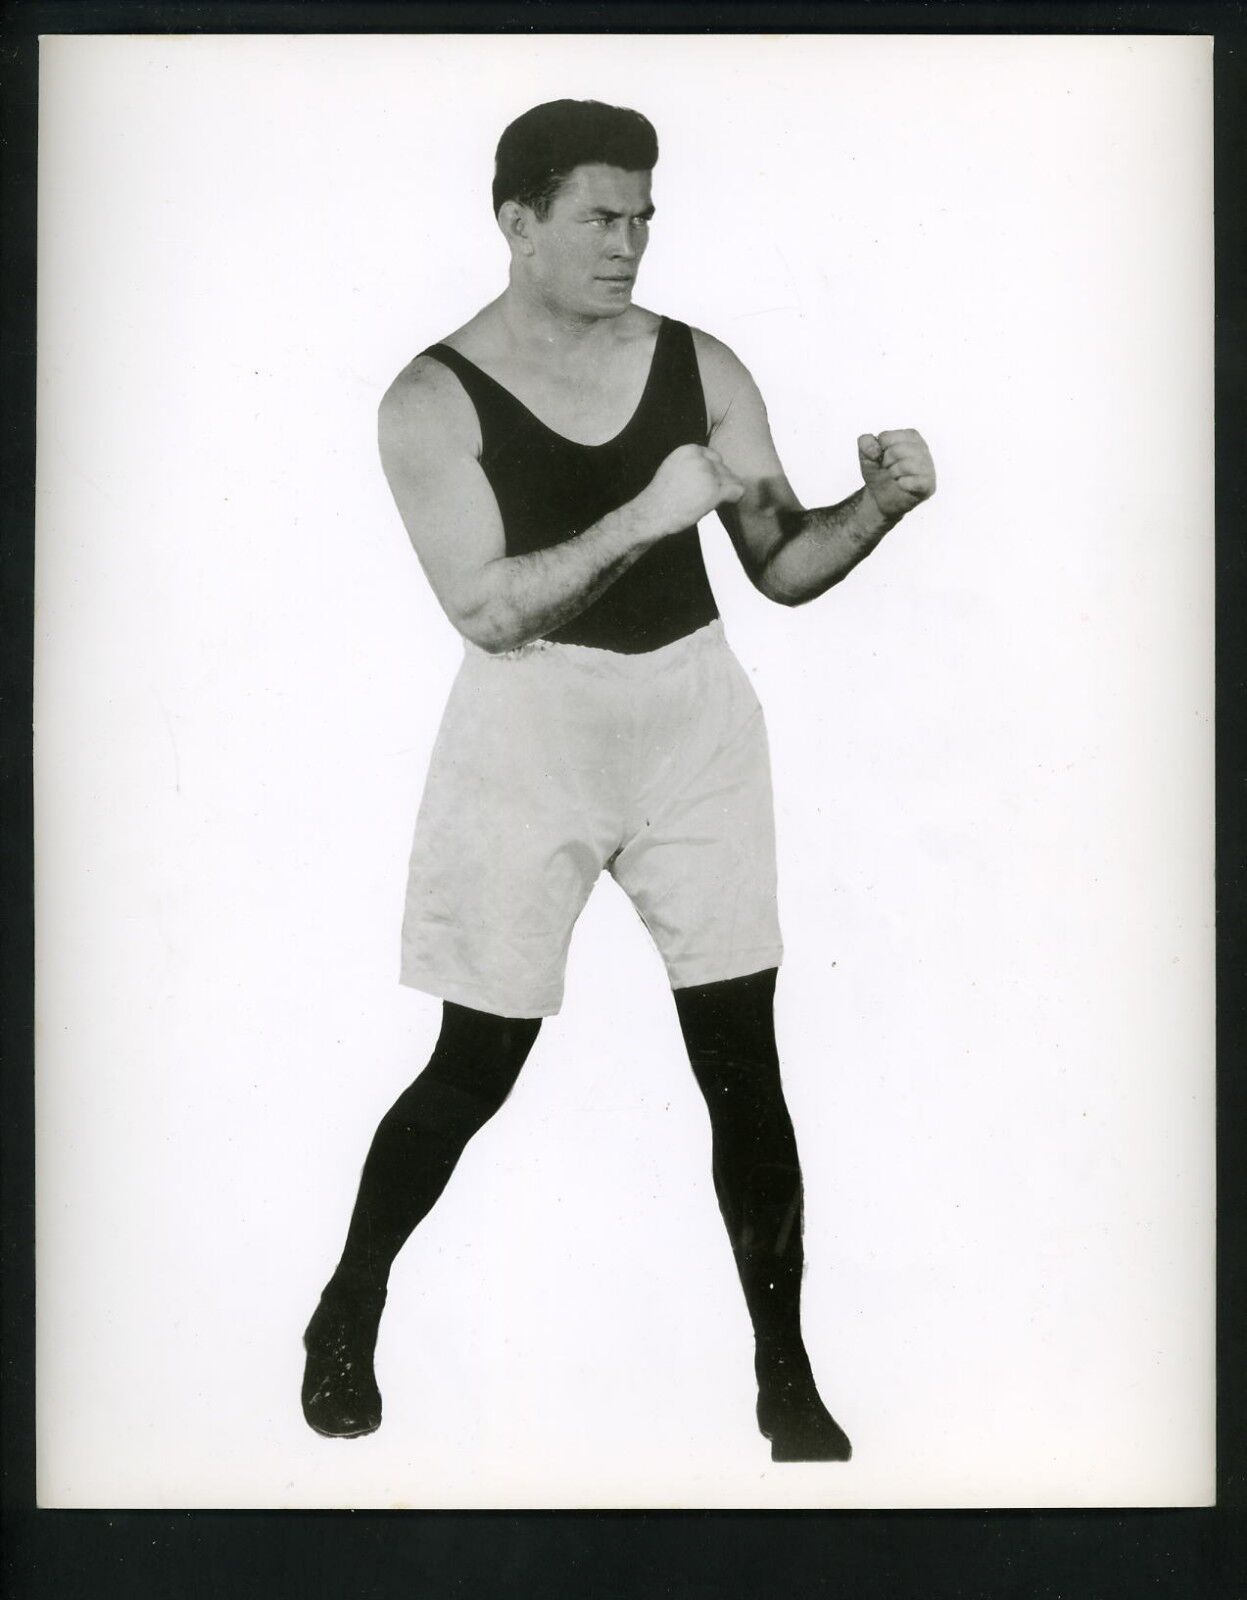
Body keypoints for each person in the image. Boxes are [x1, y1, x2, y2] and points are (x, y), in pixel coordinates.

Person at [302, 99, 936, 1462]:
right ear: (518, 221)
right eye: (600, 216)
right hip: (531, 728)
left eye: (645, 216)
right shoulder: (429, 397)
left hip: (693, 713)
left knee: (741, 1062)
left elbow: (781, 566)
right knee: (478, 1061)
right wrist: (647, 513)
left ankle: (786, 1376)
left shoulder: (699, 363)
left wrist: (876, 508)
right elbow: (485, 611)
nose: (630, 242)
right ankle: (346, 1309)